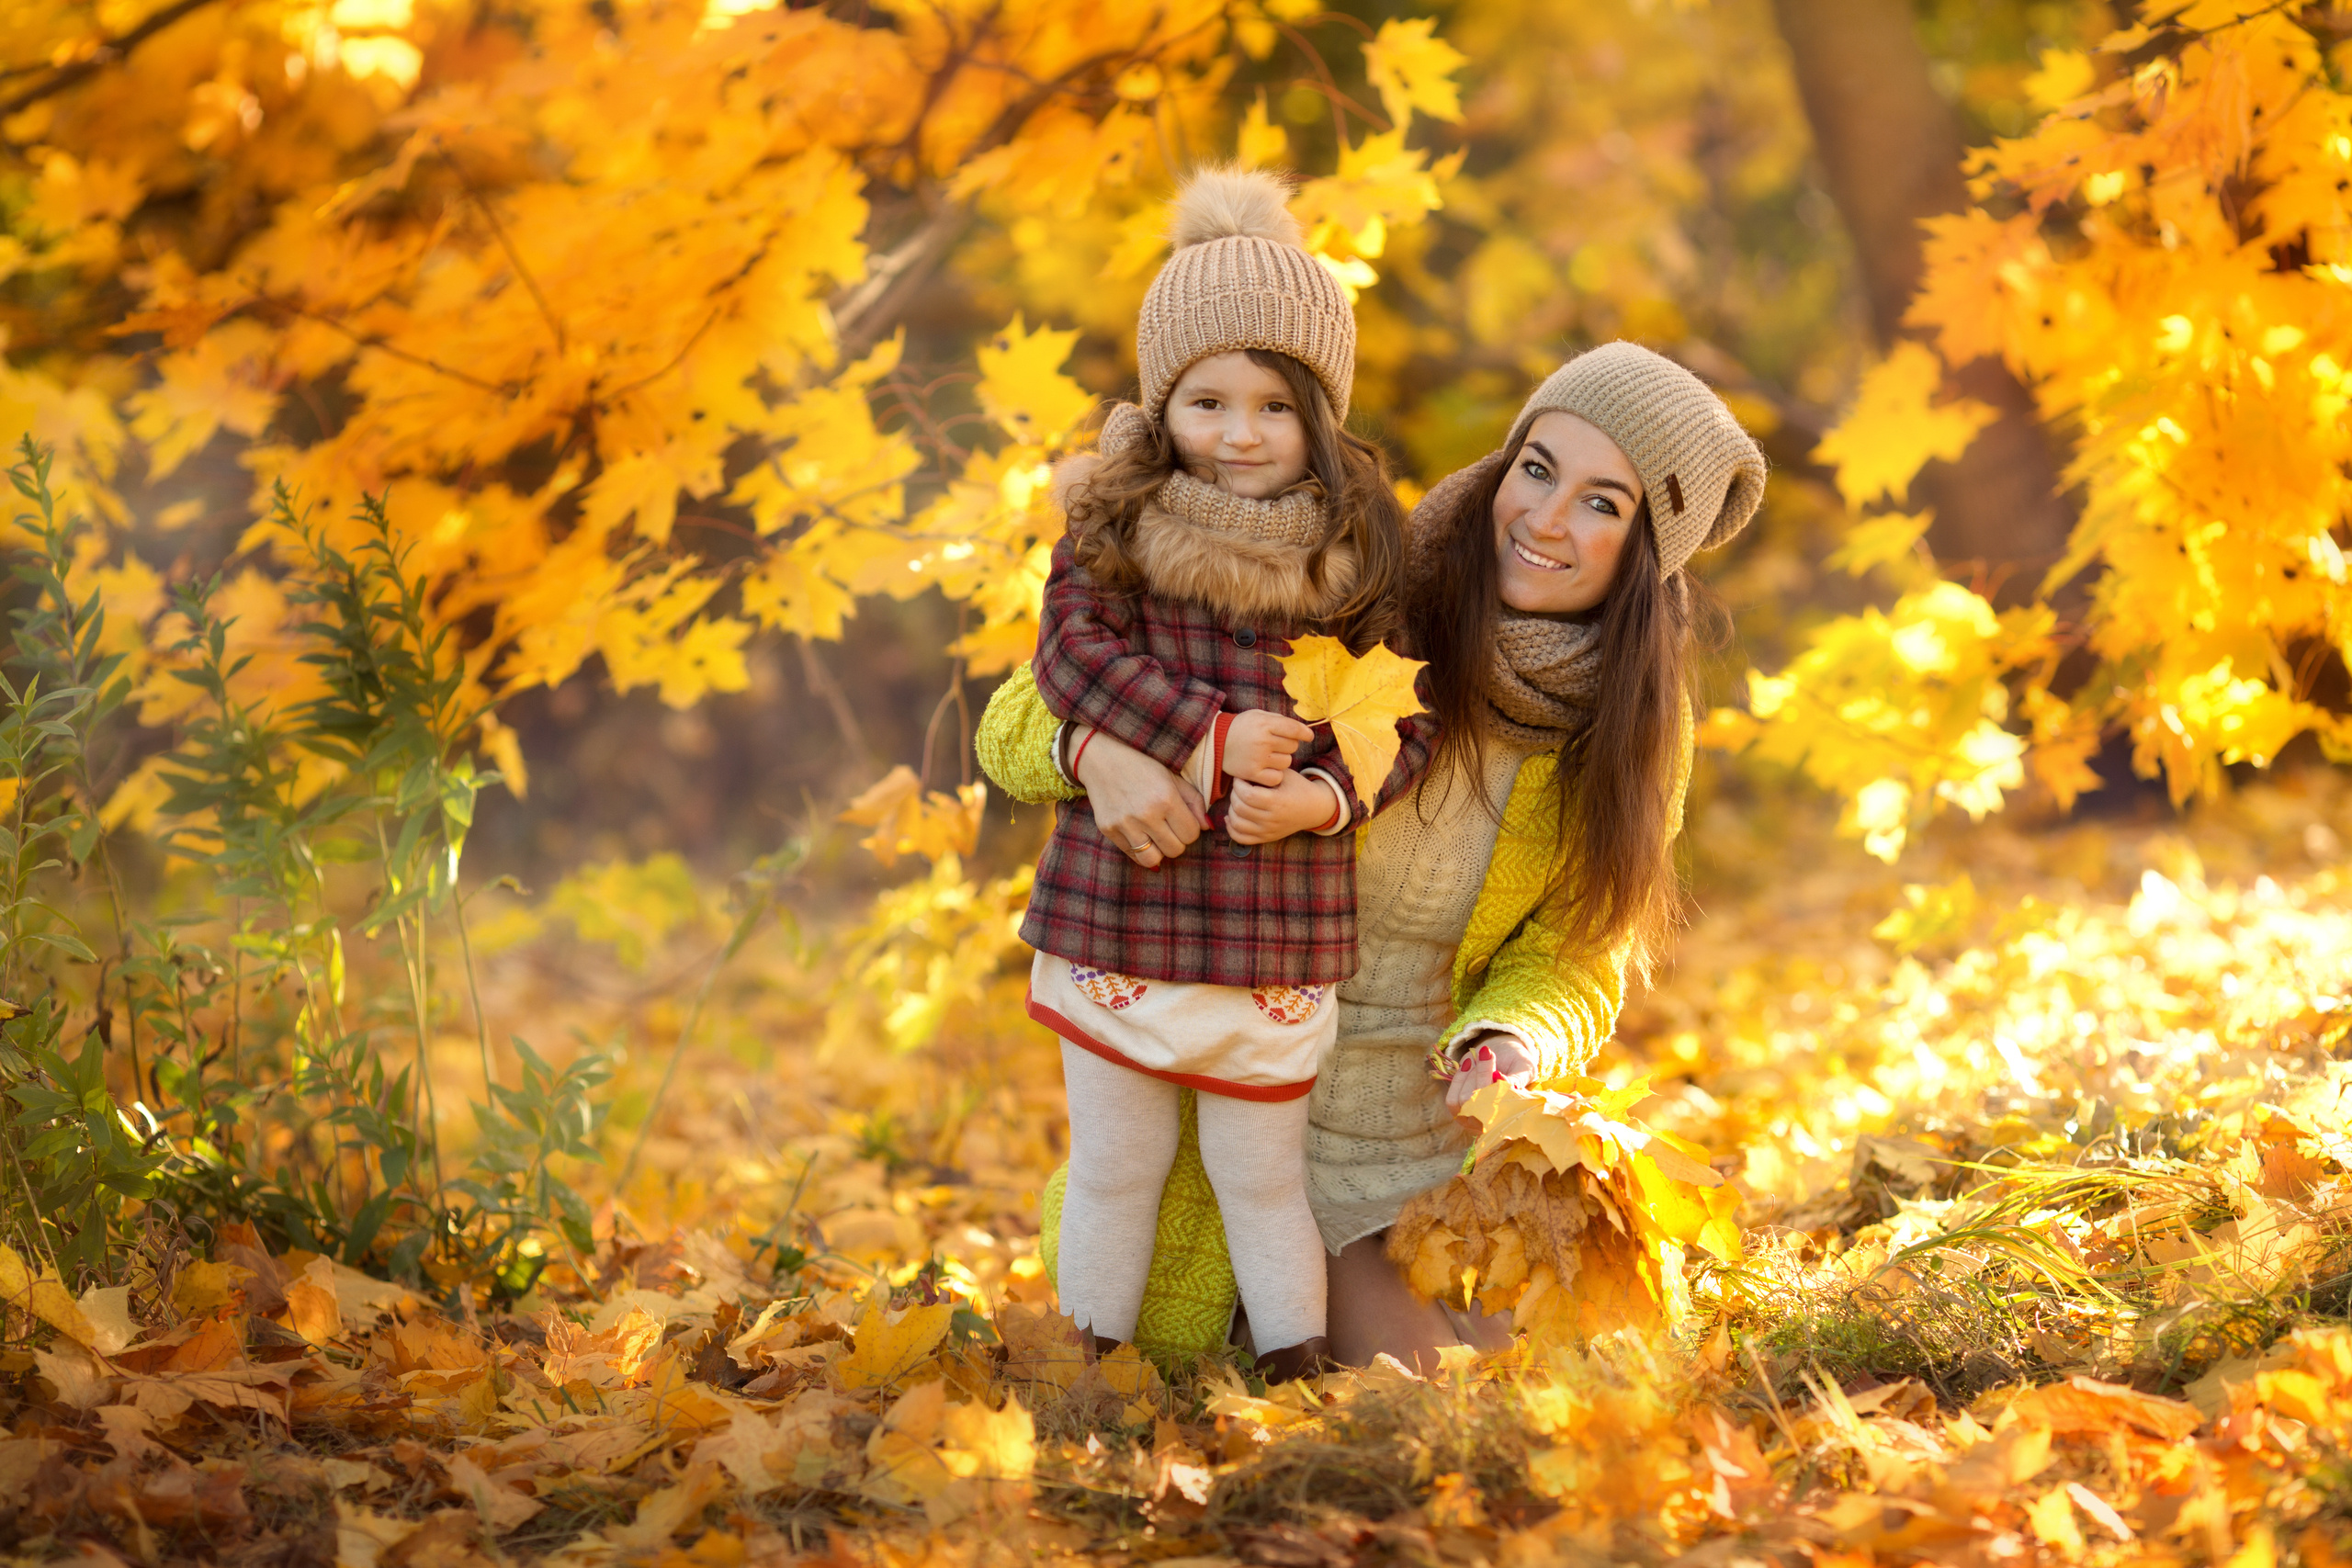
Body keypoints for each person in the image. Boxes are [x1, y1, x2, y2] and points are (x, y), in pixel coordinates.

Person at [980, 342, 1766, 1370]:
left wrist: (1515, 1037)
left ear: (1649, 547)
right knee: (1424, 1387)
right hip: (1266, 1120)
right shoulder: (1361, 585)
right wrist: (1092, 755)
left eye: (1601, 504)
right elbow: (1015, 715)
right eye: (1536, 469)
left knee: (1589, 1375)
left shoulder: (1630, 722)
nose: (1545, 519)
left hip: (1441, 1141)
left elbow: (1579, 950)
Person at [1020, 166, 1434, 1383]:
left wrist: (1326, 795)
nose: (1240, 434)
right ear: (1164, 407)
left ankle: (1298, 1371)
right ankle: (1087, 1373)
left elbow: (1403, 716)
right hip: (1125, 905)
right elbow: (1069, 659)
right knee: (1117, 1163)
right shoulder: (1113, 526)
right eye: (1207, 401)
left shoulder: (1361, 552)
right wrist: (1202, 737)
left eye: (1273, 406)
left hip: (1275, 921)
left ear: (1321, 417)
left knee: (1262, 1176)